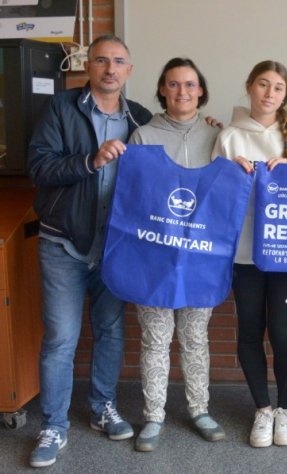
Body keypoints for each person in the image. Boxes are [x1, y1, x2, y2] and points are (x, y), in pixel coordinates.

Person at [26, 35, 152, 468]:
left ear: (129, 70)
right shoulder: (62, 108)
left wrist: (208, 129)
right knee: (61, 338)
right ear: (89, 67)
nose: (110, 69)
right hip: (64, 242)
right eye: (101, 60)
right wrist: (89, 162)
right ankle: (53, 426)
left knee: (111, 331)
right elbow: (38, 166)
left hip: (115, 248)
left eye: (119, 61)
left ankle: (102, 408)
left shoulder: (141, 119)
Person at [212, 60, 287, 448]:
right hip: (243, 253)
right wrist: (228, 172)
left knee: (284, 332)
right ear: (249, 87)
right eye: (262, 84)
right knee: (250, 330)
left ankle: (286, 408)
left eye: (277, 87)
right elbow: (213, 196)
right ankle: (262, 409)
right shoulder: (227, 136)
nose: (269, 93)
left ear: (285, 94)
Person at [127, 57, 225, 451]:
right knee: (155, 338)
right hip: (154, 256)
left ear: (201, 89)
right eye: (173, 84)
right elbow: (134, 197)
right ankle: (153, 417)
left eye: (189, 84)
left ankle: (199, 409)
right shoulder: (144, 136)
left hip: (201, 256)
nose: (182, 92)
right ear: (162, 90)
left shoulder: (219, 135)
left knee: (195, 337)